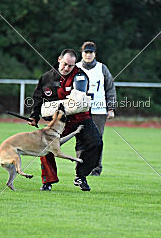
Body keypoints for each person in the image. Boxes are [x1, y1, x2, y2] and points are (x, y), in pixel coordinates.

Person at [28, 49, 103, 191]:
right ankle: (48, 181)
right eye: (65, 64)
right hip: (59, 122)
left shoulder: (80, 75)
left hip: (81, 118)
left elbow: (79, 98)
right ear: (59, 60)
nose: (67, 68)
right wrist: (34, 116)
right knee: (45, 146)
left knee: (95, 143)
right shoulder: (46, 78)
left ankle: (81, 176)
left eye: (71, 65)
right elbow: (38, 99)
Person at [76, 41, 116, 176]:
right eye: (86, 52)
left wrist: (110, 108)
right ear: (82, 53)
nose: (88, 55)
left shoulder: (102, 68)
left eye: (91, 52)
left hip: (98, 110)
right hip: (80, 110)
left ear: (95, 54)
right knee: (81, 139)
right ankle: (80, 167)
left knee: (97, 141)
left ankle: (96, 168)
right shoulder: (75, 68)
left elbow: (110, 88)